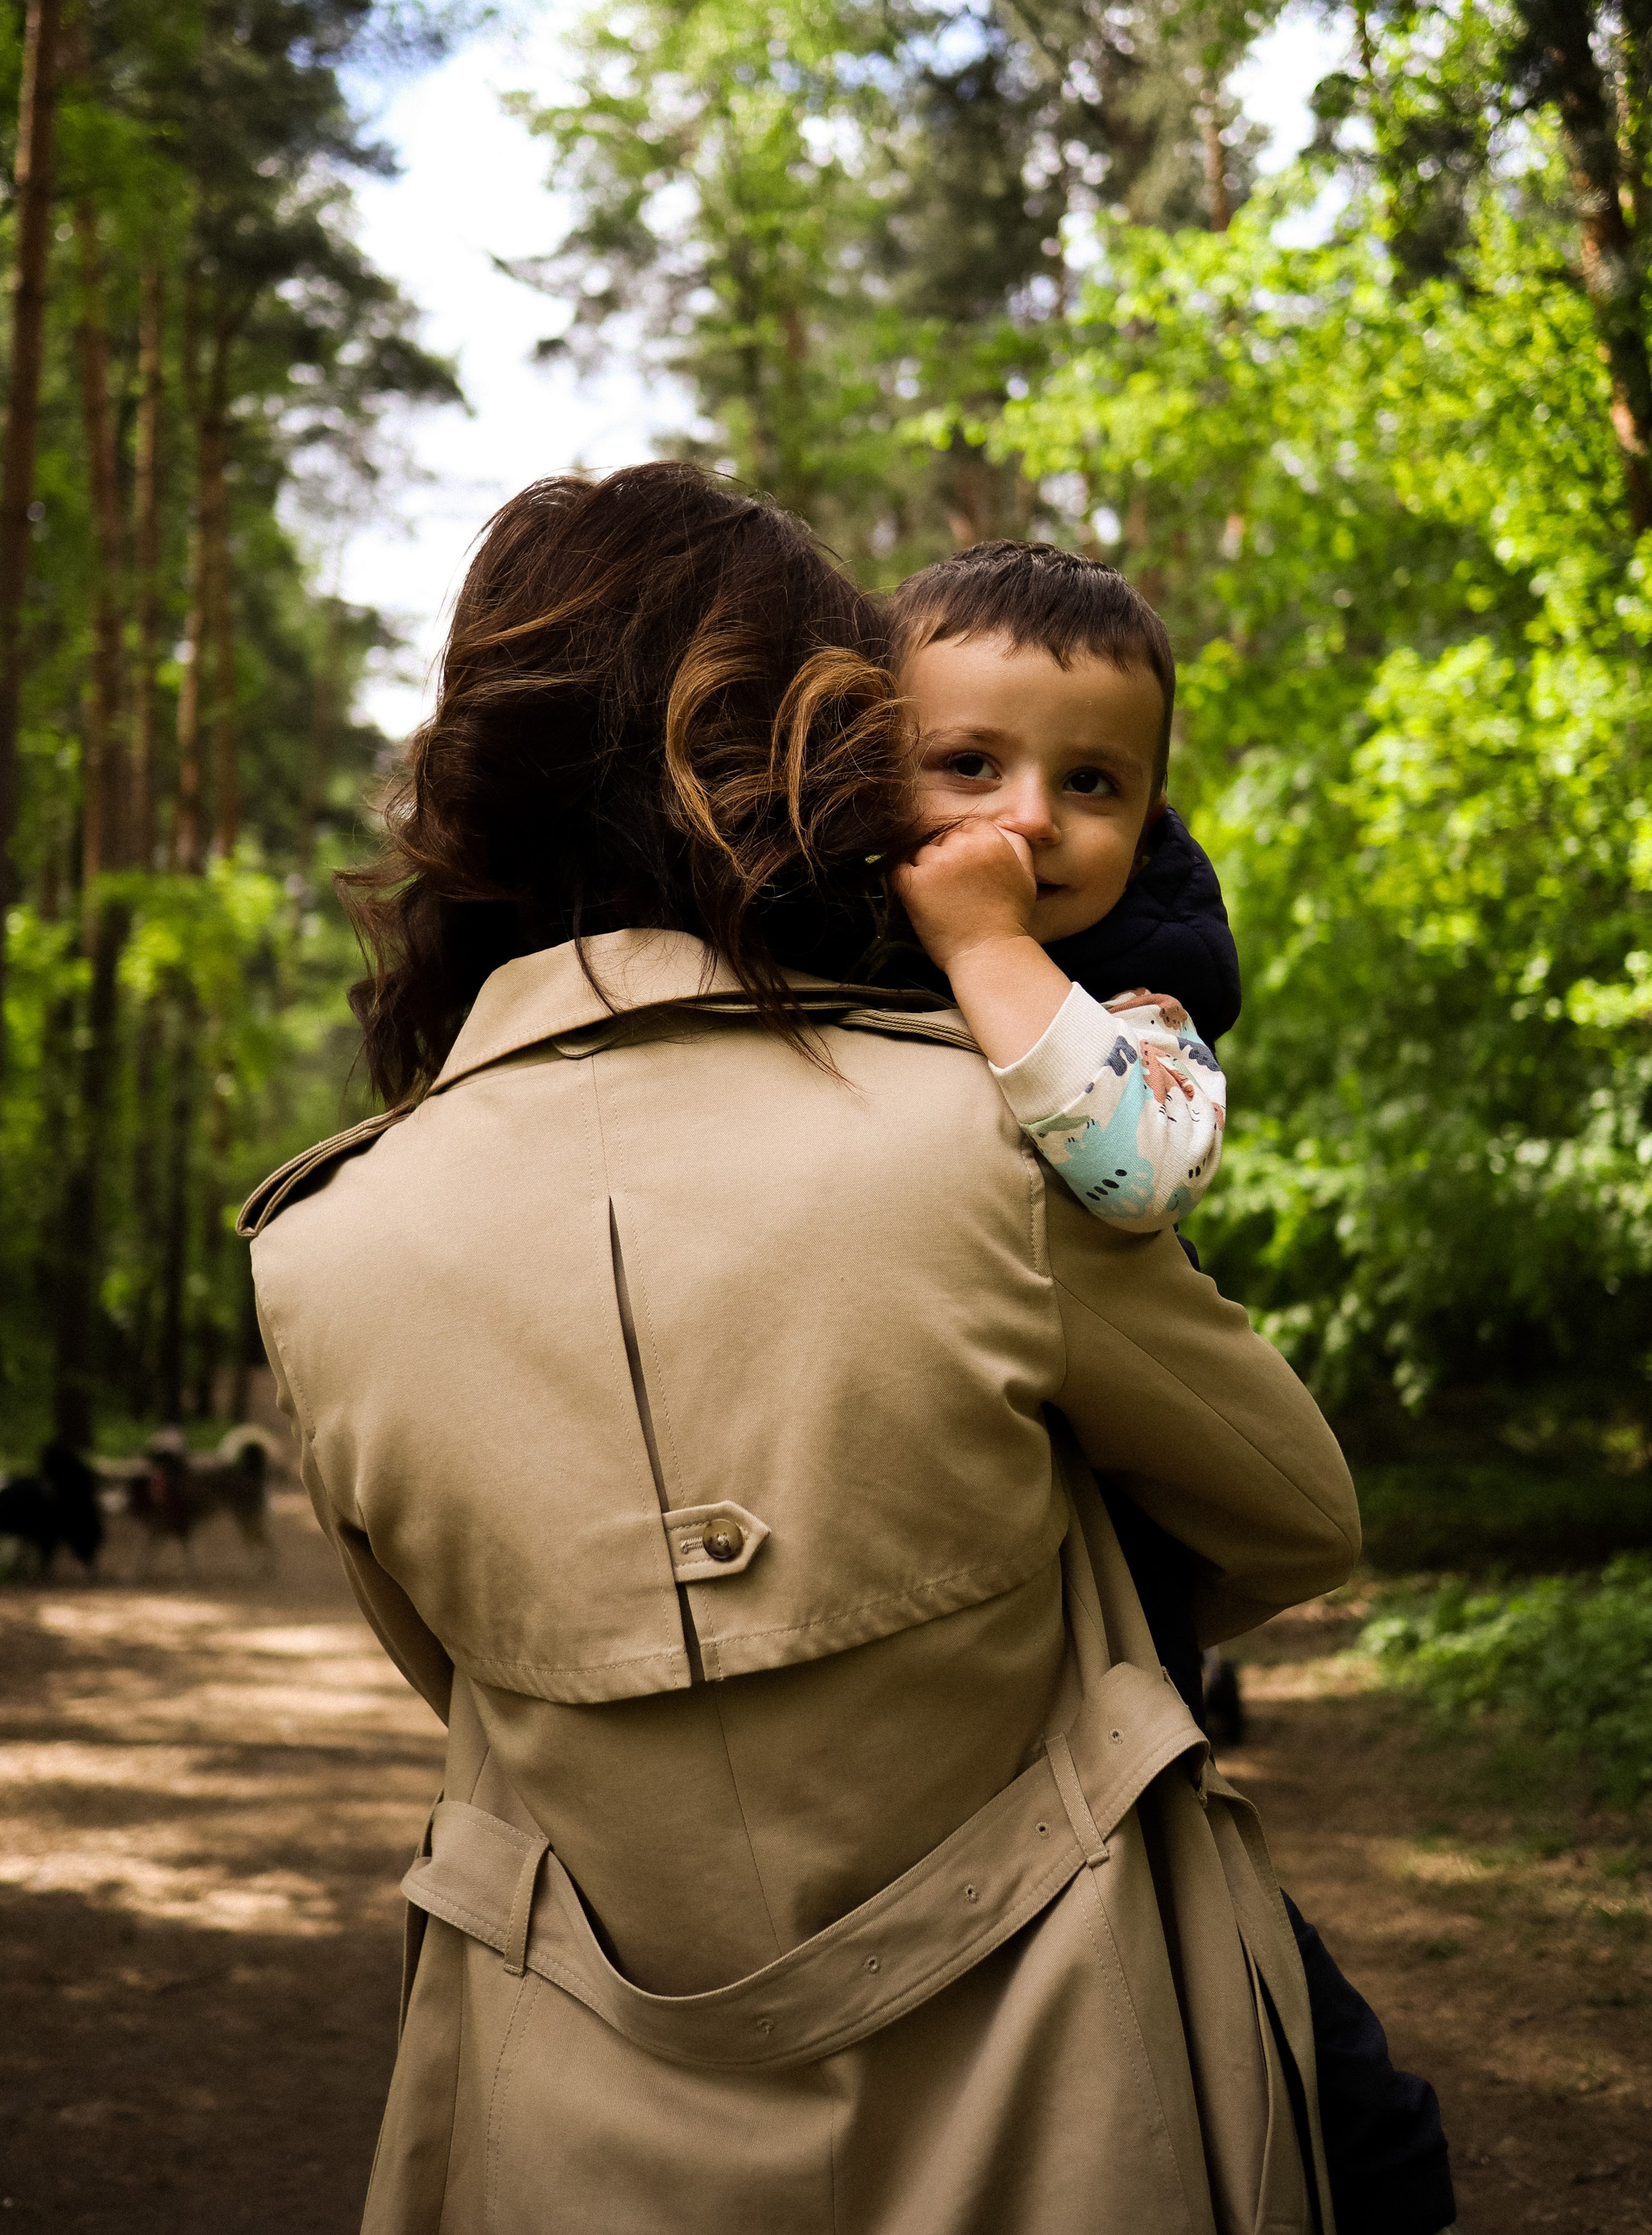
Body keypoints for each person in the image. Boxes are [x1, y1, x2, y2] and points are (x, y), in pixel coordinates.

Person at [239, 461, 1361, 2235]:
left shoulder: (319, 1247)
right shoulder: (982, 1133)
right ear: (775, 759)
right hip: (1062, 2078)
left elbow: (463, 1673)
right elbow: (1296, 1518)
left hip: (565, 2117)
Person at [883, 537, 1457, 2235]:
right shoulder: (799, 983)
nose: (1032, 819)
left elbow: (1133, 1172)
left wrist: (989, 951)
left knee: (1346, 2116)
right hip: (895, 1588)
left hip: (1096, 1667)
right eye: (968, 766)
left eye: (1093, 784)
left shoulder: (1136, 1008)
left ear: (1151, 818)